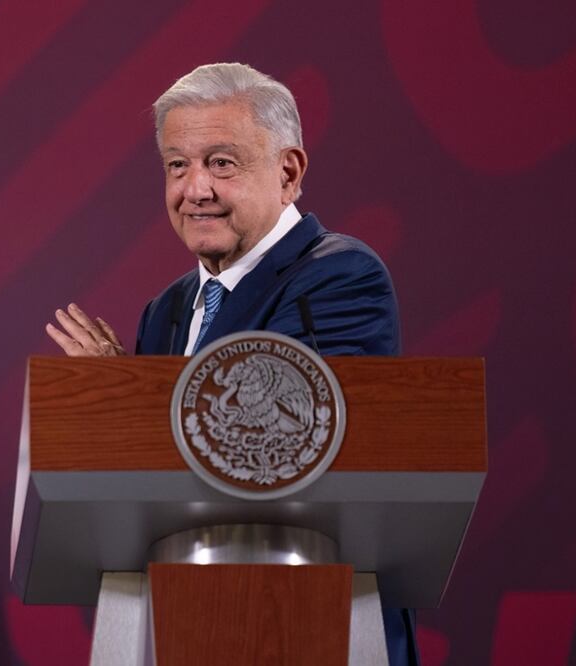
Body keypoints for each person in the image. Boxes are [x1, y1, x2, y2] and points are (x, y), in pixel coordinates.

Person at [44, 62, 416, 665]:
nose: (196, 189)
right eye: (177, 165)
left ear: (288, 172)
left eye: (222, 162)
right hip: (186, 624)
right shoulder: (165, 311)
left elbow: (280, 448)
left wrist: (129, 393)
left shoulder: (340, 277)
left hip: (309, 621)